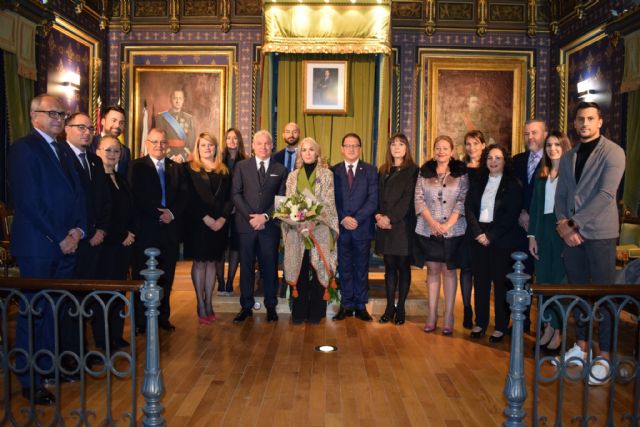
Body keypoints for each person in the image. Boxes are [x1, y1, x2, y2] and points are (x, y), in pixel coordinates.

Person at [9, 94, 86, 405]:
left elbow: (79, 195)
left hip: (67, 245)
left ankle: (46, 369)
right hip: (39, 246)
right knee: (34, 312)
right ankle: (29, 380)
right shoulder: (23, 149)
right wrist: (60, 237)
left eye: (61, 114)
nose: (58, 118)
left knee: (54, 311)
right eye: (51, 113)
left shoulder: (63, 150)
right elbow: (29, 201)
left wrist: (78, 231)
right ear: (34, 116)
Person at [554, 101, 626, 385]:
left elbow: (606, 195)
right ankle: (581, 348)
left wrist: (573, 223)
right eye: (580, 119)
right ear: (574, 123)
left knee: (604, 296)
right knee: (579, 293)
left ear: (600, 122)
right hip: (572, 236)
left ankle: (605, 356)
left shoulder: (613, 152)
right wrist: (563, 225)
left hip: (600, 234)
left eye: (590, 118)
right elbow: (561, 195)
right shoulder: (569, 156)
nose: (585, 123)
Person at [58, 112, 112, 361]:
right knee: (68, 300)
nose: (87, 132)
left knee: (85, 298)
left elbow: (104, 200)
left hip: (94, 241)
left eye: (90, 128)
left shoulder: (94, 161)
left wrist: (100, 229)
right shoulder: (60, 156)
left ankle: (82, 350)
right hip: (71, 240)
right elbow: (65, 201)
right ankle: (69, 354)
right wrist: (80, 232)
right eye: (81, 127)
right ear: (66, 129)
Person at [129, 128, 188, 334]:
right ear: (147, 143)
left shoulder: (176, 168)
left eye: (162, 142)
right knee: (142, 275)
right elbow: (135, 196)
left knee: (167, 275)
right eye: (154, 142)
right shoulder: (136, 166)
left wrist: (171, 213)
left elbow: (184, 195)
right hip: (146, 231)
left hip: (169, 231)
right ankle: (141, 321)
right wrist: (157, 214)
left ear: (167, 145)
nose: (159, 146)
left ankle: (163, 317)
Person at [465, 144, 522, 343]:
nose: (493, 161)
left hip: (501, 239)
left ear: (505, 161)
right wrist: (478, 232)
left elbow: (511, 214)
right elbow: (469, 208)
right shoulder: (478, 181)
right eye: (489, 158)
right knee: (480, 282)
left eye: (498, 158)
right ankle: (480, 322)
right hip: (478, 237)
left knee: (500, 284)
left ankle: (500, 326)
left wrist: (490, 235)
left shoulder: (513, 184)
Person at [231, 130, 287, 322]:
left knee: (270, 268)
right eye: (259, 143)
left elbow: (282, 199)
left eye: (267, 143)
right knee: (246, 267)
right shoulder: (241, 166)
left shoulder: (281, 169)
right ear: (253, 146)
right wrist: (251, 218)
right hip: (246, 226)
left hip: (269, 227)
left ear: (272, 146)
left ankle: (271, 306)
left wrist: (264, 217)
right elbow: (236, 194)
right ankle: (246, 307)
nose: (263, 147)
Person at [414, 135, 468, 335]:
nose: (441, 151)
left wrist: (448, 224)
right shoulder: (424, 172)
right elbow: (418, 199)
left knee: (449, 271)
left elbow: (462, 199)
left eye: (445, 148)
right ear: (434, 151)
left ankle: (449, 316)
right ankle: (431, 315)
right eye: (438, 148)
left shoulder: (460, 172)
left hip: (453, 230)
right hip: (429, 229)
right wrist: (433, 223)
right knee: (433, 270)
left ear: (451, 151)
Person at [281, 137, 339, 324]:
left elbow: (329, 202)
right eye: (304, 150)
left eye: (311, 149)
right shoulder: (292, 176)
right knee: (300, 269)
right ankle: (299, 312)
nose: (307, 153)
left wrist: (313, 221)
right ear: (300, 154)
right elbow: (289, 202)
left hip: (319, 229)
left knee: (318, 268)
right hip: (297, 230)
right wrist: (298, 222)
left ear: (317, 153)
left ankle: (316, 312)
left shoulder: (327, 174)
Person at [527, 131, 571, 352]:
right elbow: (535, 207)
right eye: (549, 145)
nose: (553, 149)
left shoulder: (571, 173)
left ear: (564, 147)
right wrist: (532, 236)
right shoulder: (542, 173)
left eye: (557, 145)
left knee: (559, 281)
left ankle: (558, 329)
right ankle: (547, 326)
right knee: (543, 280)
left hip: (561, 227)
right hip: (542, 229)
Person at [183, 133, 232, 324]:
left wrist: (222, 219)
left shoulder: (225, 170)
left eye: (210, 145)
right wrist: (206, 218)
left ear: (216, 148)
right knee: (200, 263)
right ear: (197, 148)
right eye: (203, 145)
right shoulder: (189, 169)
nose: (207, 148)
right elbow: (189, 197)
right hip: (198, 224)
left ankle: (209, 302)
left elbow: (230, 198)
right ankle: (200, 303)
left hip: (219, 224)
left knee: (212, 263)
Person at [95, 135, 136, 350]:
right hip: (106, 244)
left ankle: (116, 334)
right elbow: (100, 215)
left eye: (116, 151)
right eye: (108, 150)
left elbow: (128, 210)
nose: (112, 154)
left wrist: (130, 233)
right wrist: (120, 235)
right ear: (98, 152)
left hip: (123, 245)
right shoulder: (95, 178)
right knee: (103, 293)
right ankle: (103, 339)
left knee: (119, 291)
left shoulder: (121, 179)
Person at [332, 133, 378, 321]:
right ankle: (346, 305)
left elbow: (373, 199)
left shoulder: (370, 170)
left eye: (355, 145)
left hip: (362, 227)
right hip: (341, 228)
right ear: (342, 148)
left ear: (360, 148)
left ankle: (360, 306)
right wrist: (343, 218)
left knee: (361, 268)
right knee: (344, 268)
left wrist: (356, 219)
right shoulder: (333, 171)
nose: (351, 149)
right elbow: (330, 200)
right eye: (348, 145)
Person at [374, 133, 418, 326]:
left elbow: (408, 200)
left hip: (402, 227)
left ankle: (400, 308)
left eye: (401, 144)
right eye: (393, 144)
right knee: (389, 268)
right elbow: (377, 196)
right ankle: (389, 307)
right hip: (384, 226)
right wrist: (378, 216)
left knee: (403, 268)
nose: (397, 147)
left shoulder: (413, 170)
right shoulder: (383, 169)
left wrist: (389, 218)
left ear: (406, 148)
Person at [512, 119, 547, 332]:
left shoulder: (554, 160)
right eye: (527, 134)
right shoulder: (517, 161)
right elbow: (511, 192)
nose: (530, 137)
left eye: (534, 132)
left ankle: (546, 325)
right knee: (521, 275)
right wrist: (521, 212)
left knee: (543, 278)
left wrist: (532, 216)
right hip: (519, 228)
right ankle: (521, 321)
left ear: (544, 134)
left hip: (544, 229)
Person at [459, 130, 487, 329]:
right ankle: (467, 308)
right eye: (468, 144)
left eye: (476, 143)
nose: (472, 147)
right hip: (463, 223)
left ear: (483, 145)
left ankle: (481, 312)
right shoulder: (460, 168)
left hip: (484, 224)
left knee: (482, 271)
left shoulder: (489, 167)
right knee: (466, 268)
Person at [215, 127, 248, 296]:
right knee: (220, 246)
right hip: (221, 211)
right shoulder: (218, 161)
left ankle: (229, 283)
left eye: (235, 138)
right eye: (228, 138)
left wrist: (238, 205)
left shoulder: (247, 161)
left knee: (236, 247)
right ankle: (220, 282)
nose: (232, 141)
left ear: (239, 141)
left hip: (239, 211)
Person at [89, 105, 130, 178]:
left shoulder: (125, 151)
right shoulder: (90, 144)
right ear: (103, 121)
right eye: (114, 120)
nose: (117, 125)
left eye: (121, 122)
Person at [156, 89, 196, 163]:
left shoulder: (189, 118)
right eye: (175, 98)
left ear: (183, 100)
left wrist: (182, 156)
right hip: (167, 157)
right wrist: (171, 156)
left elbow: (191, 141)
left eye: (180, 98)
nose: (178, 101)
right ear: (171, 100)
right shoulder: (161, 117)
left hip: (184, 158)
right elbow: (160, 139)